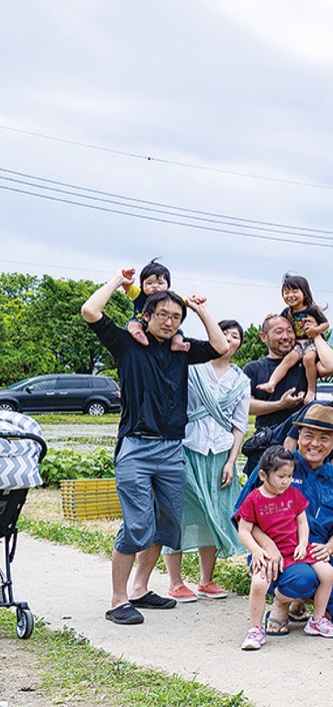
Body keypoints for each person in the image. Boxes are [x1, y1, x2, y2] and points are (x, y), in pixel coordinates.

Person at [81, 268, 229, 626]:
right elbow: (90, 311)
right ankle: (118, 601)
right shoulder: (127, 343)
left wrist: (199, 309)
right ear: (145, 316)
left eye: (175, 317)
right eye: (161, 314)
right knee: (136, 525)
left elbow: (222, 347)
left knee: (166, 525)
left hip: (171, 450)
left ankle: (140, 590)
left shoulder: (181, 351)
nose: (168, 321)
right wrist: (118, 280)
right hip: (136, 446)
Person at [243, 404, 333, 635]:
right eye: (309, 435)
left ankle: (308, 607)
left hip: (318, 556)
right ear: (298, 436)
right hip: (277, 555)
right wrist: (267, 545)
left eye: (324, 438)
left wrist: (330, 547)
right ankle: (282, 603)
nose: (315, 444)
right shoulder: (275, 466)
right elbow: (242, 517)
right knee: (302, 578)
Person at [162, 318, 251, 602]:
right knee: (178, 514)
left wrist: (231, 461)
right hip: (187, 448)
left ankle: (205, 581)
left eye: (235, 336)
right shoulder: (192, 368)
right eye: (223, 333)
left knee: (215, 514)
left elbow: (239, 425)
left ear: (239, 345)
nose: (228, 339)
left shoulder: (241, 380)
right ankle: (175, 582)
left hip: (221, 452)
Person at [236, 446, 333, 649]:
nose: (286, 481)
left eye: (290, 476)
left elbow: (302, 522)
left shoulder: (293, 494)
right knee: (259, 583)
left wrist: (303, 543)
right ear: (263, 475)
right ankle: (255, 629)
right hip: (269, 553)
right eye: (281, 476)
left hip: (295, 548)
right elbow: (244, 531)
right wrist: (257, 551)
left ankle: (317, 621)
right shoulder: (254, 499)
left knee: (328, 572)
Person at [242, 312, 333, 472]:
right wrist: (281, 404)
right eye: (279, 332)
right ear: (263, 337)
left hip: (302, 447)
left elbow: (332, 366)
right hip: (266, 444)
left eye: (289, 331)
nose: (286, 336)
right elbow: (246, 406)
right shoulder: (253, 368)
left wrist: (315, 334)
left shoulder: (307, 365)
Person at [255, 273, 330, 403]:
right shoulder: (287, 312)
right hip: (298, 344)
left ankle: (311, 390)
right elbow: (280, 321)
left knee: (308, 359)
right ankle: (272, 383)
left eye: (294, 291)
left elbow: (326, 324)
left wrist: (315, 330)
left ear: (305, 293)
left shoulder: (312, 309)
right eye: (286, 292)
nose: (290, 296)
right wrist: (272, 316)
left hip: (312, 342)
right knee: (288, 360)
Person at [121, 258, 189, 351]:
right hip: (140, 321)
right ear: (142, 285)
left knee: (178, 332)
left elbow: (185, 301)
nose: (155, 286)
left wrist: (194, 300)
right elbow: (127, 286)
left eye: (160, 283)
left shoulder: (170, 299)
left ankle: (177, 343)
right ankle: (138, 334)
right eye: (149, 283)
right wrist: (127, 277)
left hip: (162, 326)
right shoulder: (138, 294)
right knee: (132, 324)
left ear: (168, 286)